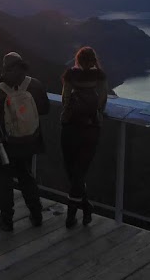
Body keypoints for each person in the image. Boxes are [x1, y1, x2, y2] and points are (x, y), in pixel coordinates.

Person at [0, 52, 51, 231]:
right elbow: (45, 108)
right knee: (26, 176)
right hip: (29, 141)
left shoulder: (1, 90)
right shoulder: (34, 85)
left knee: (4, 180)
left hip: (6, 144)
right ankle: (36, 214)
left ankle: (7, 220)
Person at [60, 46, 108, 228]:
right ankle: (85, 208)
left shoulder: (70, 75)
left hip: (70, 126)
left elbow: (65, 97)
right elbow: (103, 98)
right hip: (91, 127)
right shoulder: (100, 76)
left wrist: (70, 111)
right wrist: (96, 113)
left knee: (72, 170)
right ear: (94, 60)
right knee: (80, 171)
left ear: (78, 60)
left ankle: (72, 214)